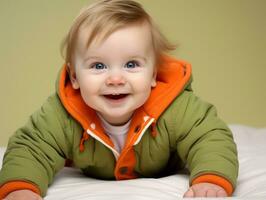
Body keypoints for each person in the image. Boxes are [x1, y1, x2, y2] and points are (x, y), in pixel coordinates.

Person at [0, 0, 238, 199]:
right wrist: (21, 187)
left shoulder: (176, 107)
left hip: (166, 164)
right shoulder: (61, 114)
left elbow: (210, 137)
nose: (115, 78)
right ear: (74, 76)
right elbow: (32, 146)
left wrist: (211, 178)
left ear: (153, 74)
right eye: (98, 65)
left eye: (131, 64)